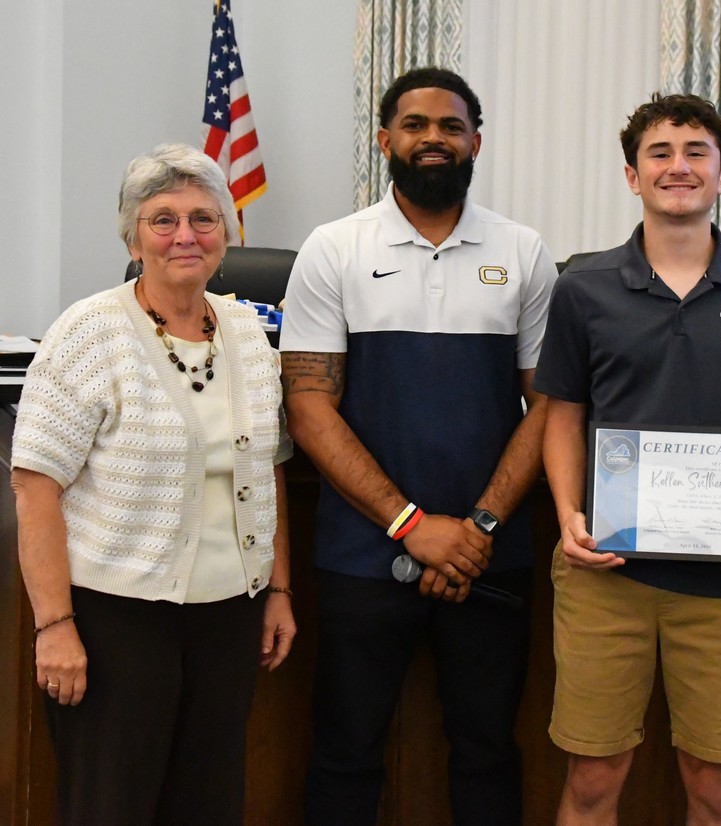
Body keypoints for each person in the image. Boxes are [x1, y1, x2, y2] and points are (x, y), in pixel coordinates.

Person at [279, 67, 558, 825]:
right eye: (414, 124)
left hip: (489, 555)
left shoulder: (525, 251)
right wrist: (411, 524)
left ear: (475, 140)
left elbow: (549, 406)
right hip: (361, 556)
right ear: (384, 139)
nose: (433, 138)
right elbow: (308, 407)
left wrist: (479, 529)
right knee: (344, 751)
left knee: (487, 751)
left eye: (450, 125)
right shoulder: (335, 248)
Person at [533, 93, 721, 826]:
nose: (678, 167)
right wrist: (568, 513)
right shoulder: (583, 288)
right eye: (659, 153)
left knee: (716, 785)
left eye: (697, 152)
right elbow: (561, 416)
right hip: (605, 574)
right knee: (595, 777)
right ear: (632, 175)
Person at [11, 143, 296, 825]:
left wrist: (278, 589)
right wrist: (54, 626)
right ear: (132, 237)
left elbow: (269, 470)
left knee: (208, 802)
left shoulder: (249, 334)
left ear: (226, 233)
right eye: (162, 219)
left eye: (203, 218)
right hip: (117, 618)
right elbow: (34, 484)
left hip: (230, 615)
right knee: (111, 804)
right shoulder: (89, 331)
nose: (184, 236)